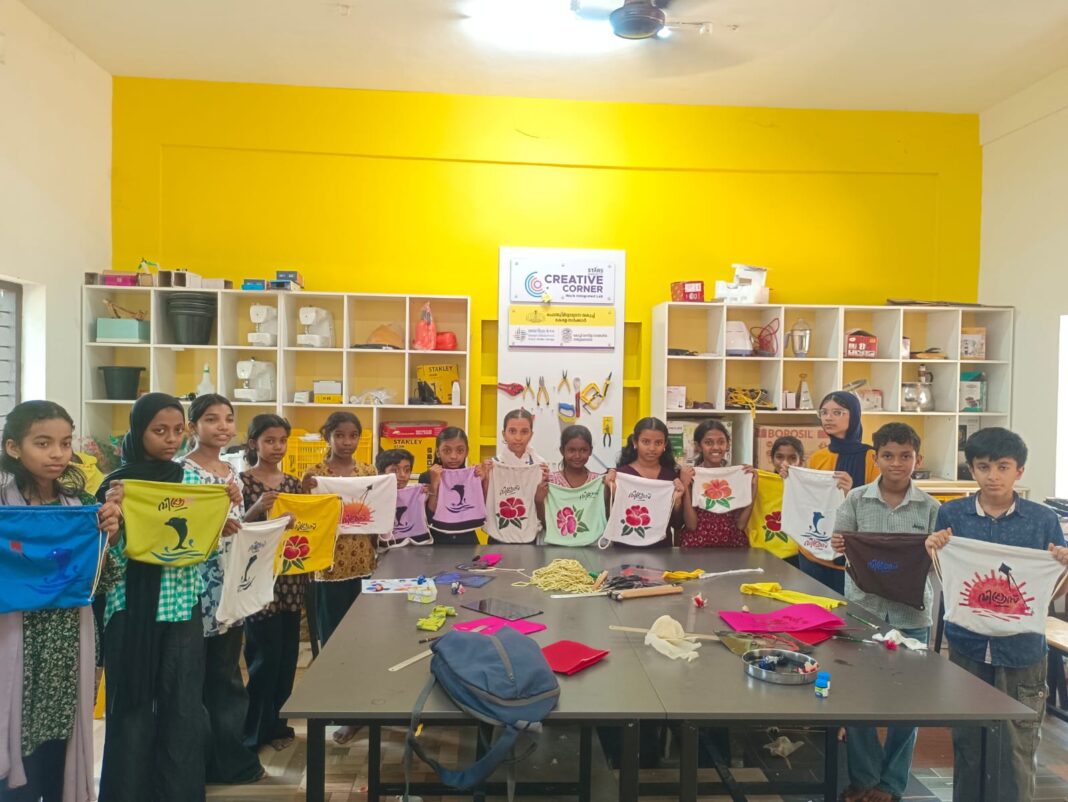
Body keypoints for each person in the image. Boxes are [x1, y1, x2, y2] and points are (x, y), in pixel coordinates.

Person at [926, 427, 1068, 802]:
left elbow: (1053, 589)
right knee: (968, 744)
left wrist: (1064, 565)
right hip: (968, 644)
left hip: (1022, 648)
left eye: (1003, 467)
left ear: (1019, 471)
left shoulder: (1042, 520)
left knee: (1016, 747)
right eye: (983, 466)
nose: (993, 476)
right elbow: (944, 572)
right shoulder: (952, 514)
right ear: (971, 469)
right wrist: (933, 549)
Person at [98, 393, 217, 801]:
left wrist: (223, 520)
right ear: (138, 431)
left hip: (182, 606)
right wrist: (113, 527)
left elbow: (205, 546)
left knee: (183, 707)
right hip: (129, 610)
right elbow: (106, 559)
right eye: (159, 430)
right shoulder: (117, 486)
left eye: (178, 430)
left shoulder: (194, 483)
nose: (171, 439)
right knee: (130, 708)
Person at [0, 401, 122, 802]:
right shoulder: (3, 506)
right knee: (14, 734)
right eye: (43, 443)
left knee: (59, 742)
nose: (57, 453)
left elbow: (102, 581)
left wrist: (108, 539)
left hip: (66, 644)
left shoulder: (80, 504)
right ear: (14, 447)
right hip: (14, 644)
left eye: (65, 443)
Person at [829, 422, 940, 802]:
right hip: (863, 612)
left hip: (912, 616)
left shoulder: (932, 508)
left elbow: (940, 563)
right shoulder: (856, 500)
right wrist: (839, 544)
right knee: (857, 695)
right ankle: (864, 778)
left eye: (905, 456)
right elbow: (838, 548)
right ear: (875, 458)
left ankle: (890, 785)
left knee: (907, 705)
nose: (897, 463)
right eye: (889, 455)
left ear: (917, 459)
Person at [182, 395, 264, 785]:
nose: (223, 426)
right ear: (192, 426)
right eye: (212, 419)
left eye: (229, 419)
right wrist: (216, 527)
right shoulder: (182, 471)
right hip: (197, 587)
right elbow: (178, 528)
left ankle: (230, 757)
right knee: (199, 677)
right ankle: (200, 761)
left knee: (228, 676)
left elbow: (238, 524)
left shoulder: (231, 470)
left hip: (230, 585)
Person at [239, 414, 303, 752]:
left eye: (282, 440)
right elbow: (234, 528)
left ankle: (278, 725)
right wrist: (256, 509)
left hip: (290, 576)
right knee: (263, 657)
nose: (277, 447)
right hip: (257, 577)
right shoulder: (242, 483)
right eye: (269, 441)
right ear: (254, 443)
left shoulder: (293, 483)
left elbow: (305, 524)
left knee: (287, 657)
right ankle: (253, 731)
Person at [798, 391, 879, 593]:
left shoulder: (872, 458)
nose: (828, 418)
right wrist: (791, 478)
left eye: (837, 412)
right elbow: (808, 502)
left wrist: (852, 492)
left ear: (855, 415)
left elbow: (879, 508)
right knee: (815, 606)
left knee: (850, 610)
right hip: (814, 553)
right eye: (824, 412)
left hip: (855, 557)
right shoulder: (818, 457)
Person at [606, 417, 684, 543]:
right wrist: (612, 492)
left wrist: (678, 501)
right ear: (635, 442)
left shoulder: (671, 478)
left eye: (658, 443)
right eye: (646, 442)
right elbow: (609, 520)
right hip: (624, 548)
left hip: (661, 549)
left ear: (665, 445)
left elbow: (677, 524)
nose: (652, 448)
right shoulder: (619, 476)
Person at [679, 420, 755, 547]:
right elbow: (691, 525)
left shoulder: (737, 475)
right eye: (708, 442)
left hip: (732, 545)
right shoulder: (691, 476)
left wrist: (753, 486)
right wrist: (685, 486)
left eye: (721, 442)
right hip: (697, 546)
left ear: (728, 445)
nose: (715, 447)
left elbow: (741, 525)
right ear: (698, 446)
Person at [419, 427, 486, 545]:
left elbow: (484, 508)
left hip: (467, 541)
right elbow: (429, 517)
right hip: (437, 541)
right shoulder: (427, 476)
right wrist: (434, 485)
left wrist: (485, 480)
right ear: (438, 452)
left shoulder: (473, 476)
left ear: (467, 452)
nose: (453, 456)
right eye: (447, 451)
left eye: (460, 451)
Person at [487, 409, 550, 520]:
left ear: (531, 435)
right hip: (498, 530)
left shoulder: (541, 465)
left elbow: (546, 507)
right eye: (512, 431)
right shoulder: (492, 466)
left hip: (532, 529)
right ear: (504, 434)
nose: (518, 438)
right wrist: (484, 480)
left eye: (524, 432)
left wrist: (547, 482)